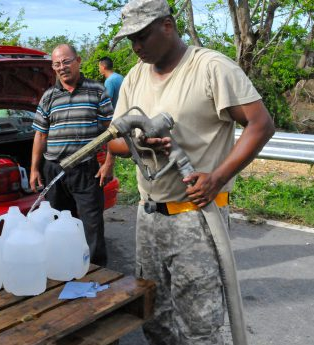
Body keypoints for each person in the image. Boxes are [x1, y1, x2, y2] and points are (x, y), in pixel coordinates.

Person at [107, 0, 275, 344]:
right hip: (148, 216)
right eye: (130, 40)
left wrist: (216, 177)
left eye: (142, 36)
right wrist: (144, 144)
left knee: (200, 327)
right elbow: (114, 142)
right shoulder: (134, 78)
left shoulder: (211, 68)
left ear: (167, 25)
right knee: (153, 316)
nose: (136, 46)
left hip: (196, 217)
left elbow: (260, 124)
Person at [30, 44, 115, 266]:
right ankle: (64, 268)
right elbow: (40, 136)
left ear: (78, 61)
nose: (62, 67)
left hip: (86, 170)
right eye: (57, 64)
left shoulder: (97, 91)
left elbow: (112, 131)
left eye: (66, 61)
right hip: (54, 169)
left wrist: (108, 163)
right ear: (53, 67)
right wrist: (34, 169)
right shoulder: (48, 96)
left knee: (92, 224)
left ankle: (97, 272)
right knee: (58, 223)